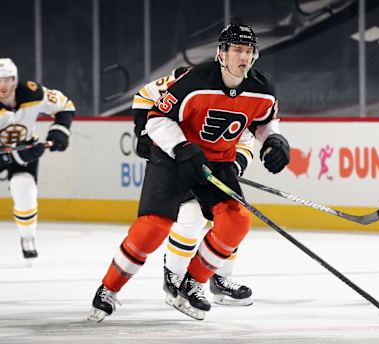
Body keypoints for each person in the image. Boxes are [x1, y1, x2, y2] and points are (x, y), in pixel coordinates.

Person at [88, 23, 290, 322]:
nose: (243, 57)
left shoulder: (263, 87)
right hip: (173, 160)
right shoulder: (195, 80)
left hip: (217, 163)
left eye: (249, 51)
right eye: (237, 50)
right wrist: (182, 147)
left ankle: (192, 283)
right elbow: (157, 118)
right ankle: (108, 289)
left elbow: (263, 122)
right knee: (153, 228)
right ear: (222, 53)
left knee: (237, 221)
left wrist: (273, 140)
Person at [132, 67, 255, 307]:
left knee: (231, 218)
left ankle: (221, 279)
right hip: (181, 162)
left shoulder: (233, 97)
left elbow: (246, 137)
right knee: (191, 217)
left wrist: (235, 166)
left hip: (217, 164)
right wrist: (144, 132)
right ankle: (174, 277)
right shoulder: (176, 85)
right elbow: (144, 96)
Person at [0, 58, 74, 261]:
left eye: (7, 80)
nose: (2, 85)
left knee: (23, 187)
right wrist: (11, 155)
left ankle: (27, 237)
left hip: (26, 148)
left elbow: (65, 106)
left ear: (15, 81)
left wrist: (59, 132)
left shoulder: (33, 93)